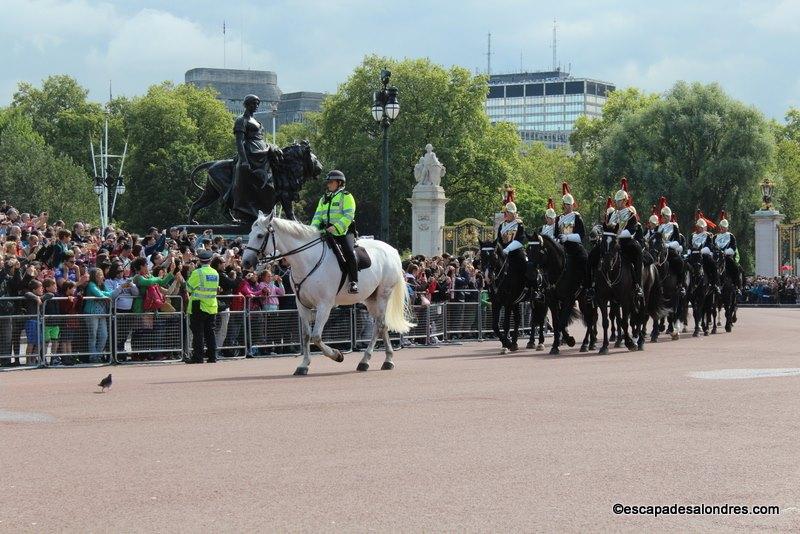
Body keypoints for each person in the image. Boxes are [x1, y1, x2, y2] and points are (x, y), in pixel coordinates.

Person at [310, 170, 359, 294]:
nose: (328, 184)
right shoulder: (323, 199)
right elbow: (317, 216)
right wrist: (312, 230)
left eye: (331, 182)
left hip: (344, 232)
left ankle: (354, 282)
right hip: (326, 231)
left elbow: (349, 215)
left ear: (339, 183)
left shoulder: (346, 196)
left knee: (349, 251)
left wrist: (336, 227)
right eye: (328, 182)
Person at [606, 178, 644, 298]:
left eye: (620, 201)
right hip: (612, 242)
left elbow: (632, 230)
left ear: (624, 201)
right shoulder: (612, 214)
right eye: (616, 201)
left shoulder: (630, 214)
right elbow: (606, 227)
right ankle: (592, 286)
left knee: (638, 252)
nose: (617, 203)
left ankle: (638, 285)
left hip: (625, 242)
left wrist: (618, 234)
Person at [185, 250, 219, 364]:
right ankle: (213, 356)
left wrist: (190, 273)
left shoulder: (197, 273)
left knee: (198, 333)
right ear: (210, 260)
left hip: (198, 306)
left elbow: (188, 288)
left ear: (199, 260)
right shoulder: (215, 272)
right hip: (212, 305)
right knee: (210, 333)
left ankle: (198, 357)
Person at [554, 182, 588, 295]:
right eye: (566, 204)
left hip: (574, 248)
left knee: (585, 260)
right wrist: (558, 240)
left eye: (570, 205)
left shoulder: (577, 217)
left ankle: (588, 288)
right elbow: (555, 234)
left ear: (573, 205)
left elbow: (581, 235)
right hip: (561, 248)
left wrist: (567, 237)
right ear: (563, 205)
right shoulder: (558, 218)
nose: (568, 207)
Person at [688, 210, 720, 295]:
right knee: (684, 264)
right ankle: (684, 284)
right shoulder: (693, 235)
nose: (699, 228)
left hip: (704, 255)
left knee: (713, 266)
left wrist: (702, 250)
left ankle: (714, 284)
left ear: (704, 227)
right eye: (698, 226)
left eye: (700, 227)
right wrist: (690, 251)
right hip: (693, 255)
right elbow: (690, 245)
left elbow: (710, 246)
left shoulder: (708, 235)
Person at [495, 201, 527, 279]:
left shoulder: (519, 224)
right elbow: (499, 240)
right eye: (505, 213)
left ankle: (529, 287)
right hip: (503, 253)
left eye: (507, 212)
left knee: (526, 266)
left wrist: (508, 249)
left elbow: (521, 239)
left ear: (513, 213)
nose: (505, 214)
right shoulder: (502, 225)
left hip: (516, 252)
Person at [714, 210, 743, 291]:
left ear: (727, 228)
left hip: (727, 256)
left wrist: (726, 252)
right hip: (717, 256)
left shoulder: (731, 236)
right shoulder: (715, 237)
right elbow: (712, 246)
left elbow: (733, 247)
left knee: (735, 267)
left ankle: (737, 285)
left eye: (724, 227)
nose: (722, 228)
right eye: (721, 227)